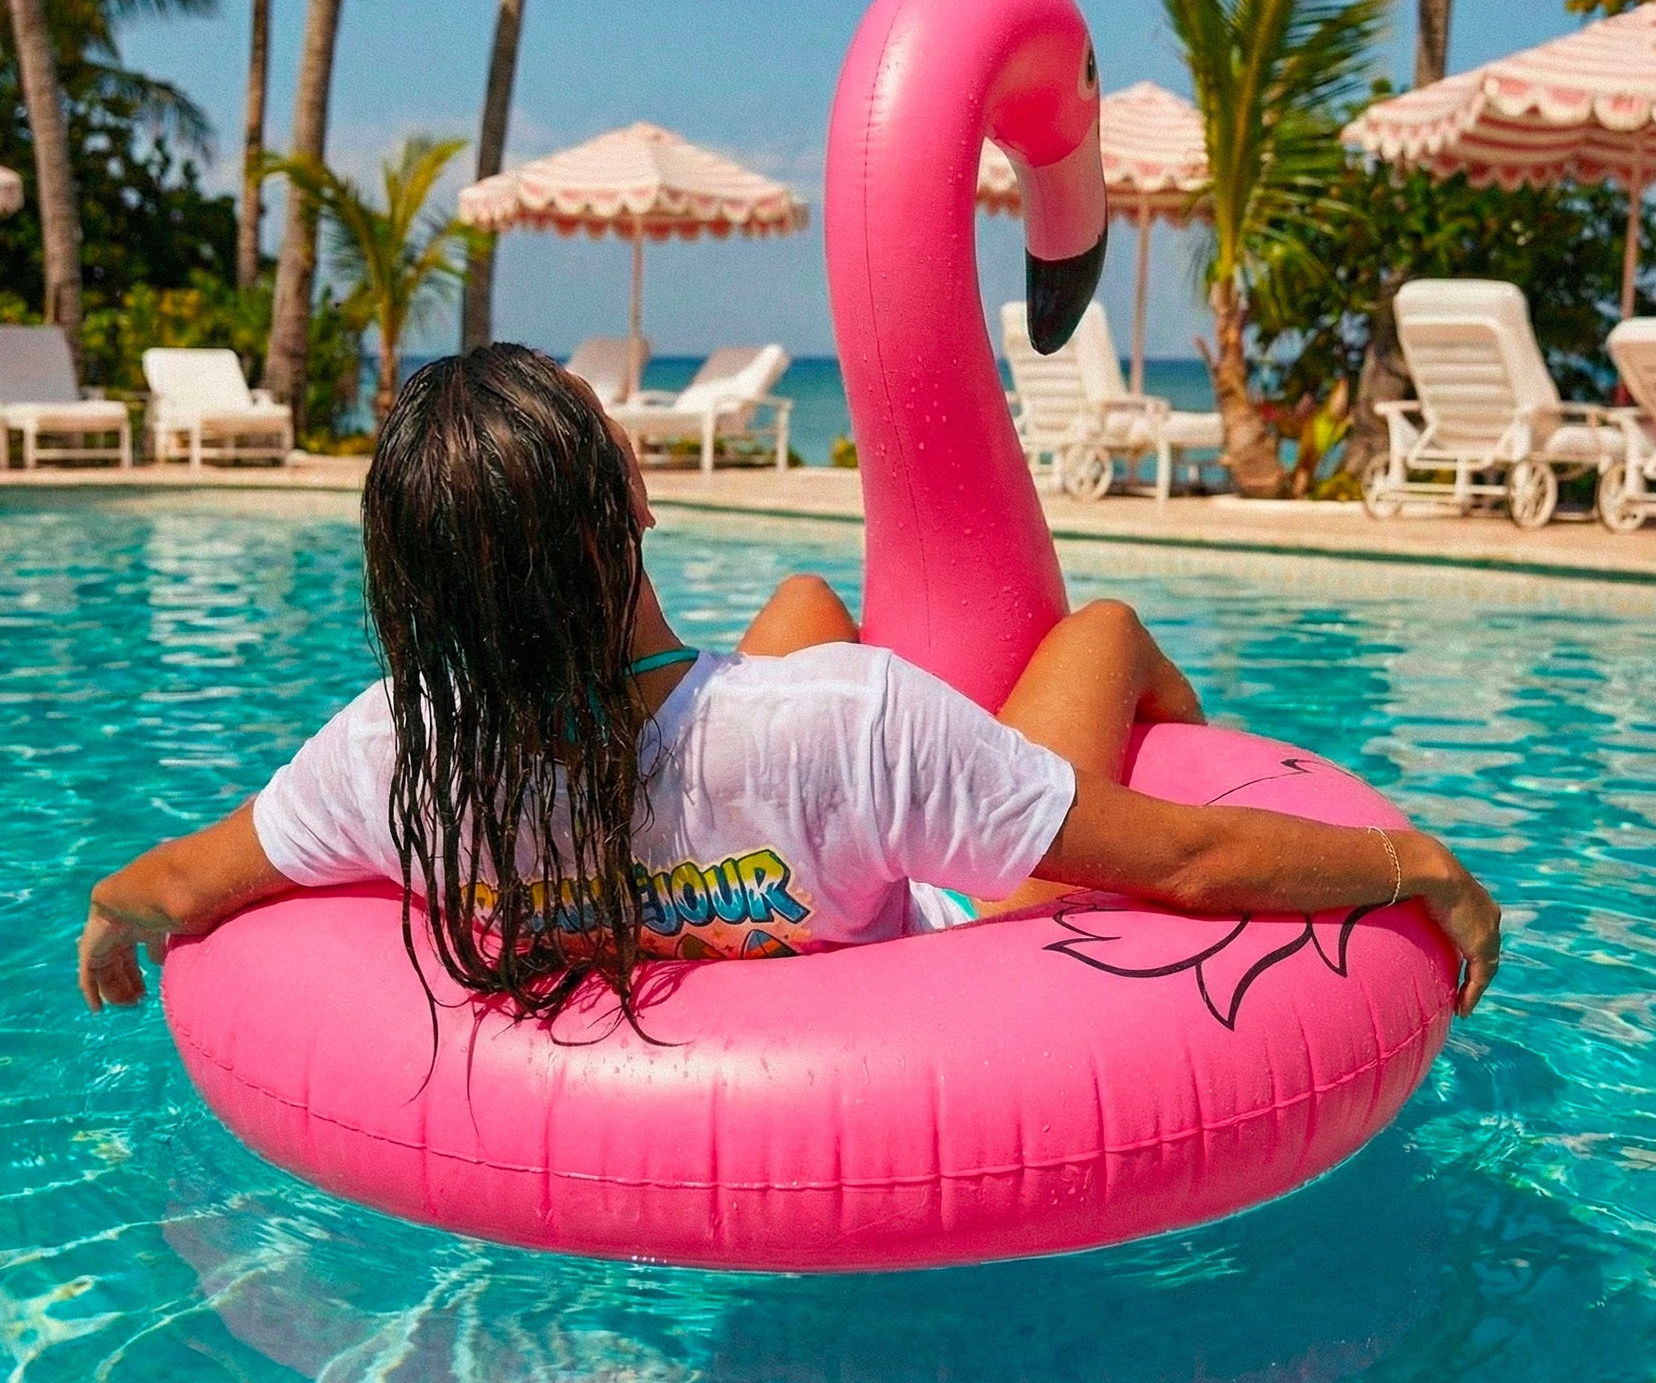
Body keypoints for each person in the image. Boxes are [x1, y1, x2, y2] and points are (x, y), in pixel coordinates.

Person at [78, 344, 1500, 1024]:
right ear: (631, 492)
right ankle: (1144, 685)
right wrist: (1410, 861)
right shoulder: (847, 725)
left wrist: (104, 920)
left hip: (767, 786)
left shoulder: (398, 755)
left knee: (806, 613)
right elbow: (1185, 861)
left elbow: (178, 888)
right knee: (1105, 629)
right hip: (928, 907)